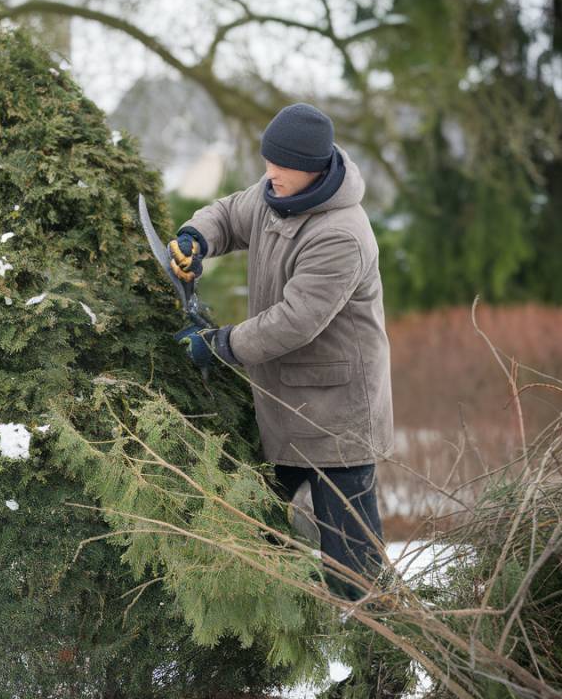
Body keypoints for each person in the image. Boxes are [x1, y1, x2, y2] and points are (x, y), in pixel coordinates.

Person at [165, 102, 394, 602]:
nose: (270, 174)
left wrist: (221, 344)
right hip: (286, 401)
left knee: (353, 559)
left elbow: (296, 320)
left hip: (337, 413)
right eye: (268, 163)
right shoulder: (275, 195)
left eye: (281, 166)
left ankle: (381, 649)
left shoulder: (341, 234)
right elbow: (228, 213)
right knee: (264, 526)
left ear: (314, 169)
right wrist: (196, 237)